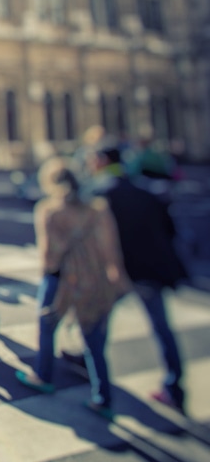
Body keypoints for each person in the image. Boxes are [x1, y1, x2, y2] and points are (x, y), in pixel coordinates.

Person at [17, 159, 130, 420]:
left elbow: (50, 254)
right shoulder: (97, 209)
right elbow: (110, 248)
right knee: (93, 339)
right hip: (93, 278)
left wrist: (50, 274)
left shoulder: (49, 210)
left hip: (61, 280)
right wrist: (117, 279)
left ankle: (43, 375)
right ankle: (103, 396)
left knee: (47, 325)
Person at [92, 146, 189, 413]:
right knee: (161, 328)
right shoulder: (143, 190)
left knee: (98, 321)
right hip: (152, 270)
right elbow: (169, 230)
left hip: (123, 270)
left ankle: (95, 374)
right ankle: (175, 387)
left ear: (101, 162)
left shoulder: (104, 194)